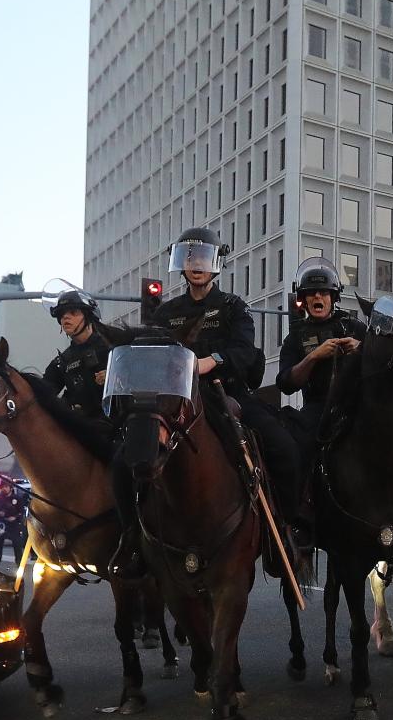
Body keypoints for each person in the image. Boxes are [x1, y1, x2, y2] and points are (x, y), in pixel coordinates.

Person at [113, 227, 303, 574]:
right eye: (189, 259)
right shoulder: (165, 313)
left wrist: (209, 361)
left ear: (215, 265)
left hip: (224, 393)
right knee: (122, 458)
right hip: (174, 399)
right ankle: (131, 540)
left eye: (202, 259)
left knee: (284, 448)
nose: (196, 265)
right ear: (181, 266)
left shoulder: (233, 307)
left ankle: (284, 534)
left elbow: (246, 352)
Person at [276, 257, 365, 459]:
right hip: (318, 408)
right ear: (304, 300)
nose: (318, 296)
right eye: (311, 293)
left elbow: (380, 363)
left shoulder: (354, 327)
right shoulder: (295, 338)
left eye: (324, 292)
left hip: (358, 403)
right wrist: (314, 357)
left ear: (333, 297)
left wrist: (360, 348)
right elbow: (285, 383)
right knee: (295, 447)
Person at [43, 289, 124, 421]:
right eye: (62, 314)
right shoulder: (62, 362)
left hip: (119, 425)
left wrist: (115, 376)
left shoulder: (114, 343)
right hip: (83, 429)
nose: (65, 317)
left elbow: (141, 373)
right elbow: (41, 395)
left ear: (88, 316)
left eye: (73, 312)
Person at [0, 484, 28, 566]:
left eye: (6, 487)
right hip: (2, 524)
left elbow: (21, 511)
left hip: (14, 524)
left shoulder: (17, 498)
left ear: (10, 488)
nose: (4, 489)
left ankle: (19, 562)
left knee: (17, 543)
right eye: (2, 487)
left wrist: (15, 517)